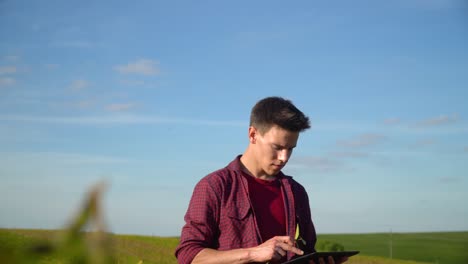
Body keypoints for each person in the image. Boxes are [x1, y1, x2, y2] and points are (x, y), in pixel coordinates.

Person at [175, 96, 348, 264]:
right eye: (277, 147)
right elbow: (188, 255)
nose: (284, 157)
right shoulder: (214, 186)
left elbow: (307, 250)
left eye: (290, 149)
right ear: (252, 135)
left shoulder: (297, 192)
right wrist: (252, 254)